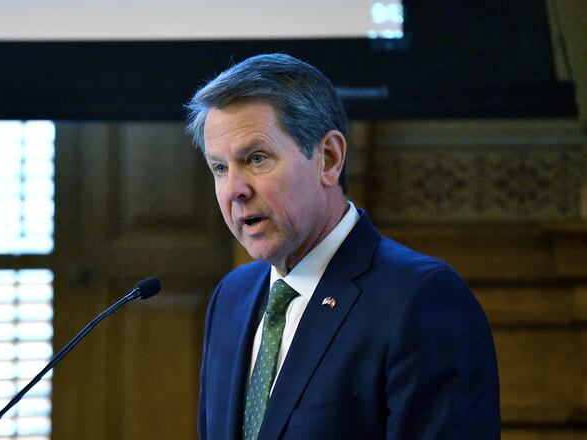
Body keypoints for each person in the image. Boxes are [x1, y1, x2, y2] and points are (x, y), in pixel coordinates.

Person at [186, 53, 500, 439]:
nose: (234, 189)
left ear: (329, 159)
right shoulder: (231, 298)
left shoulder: (420, 298)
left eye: (256, 158)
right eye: (220, 168)